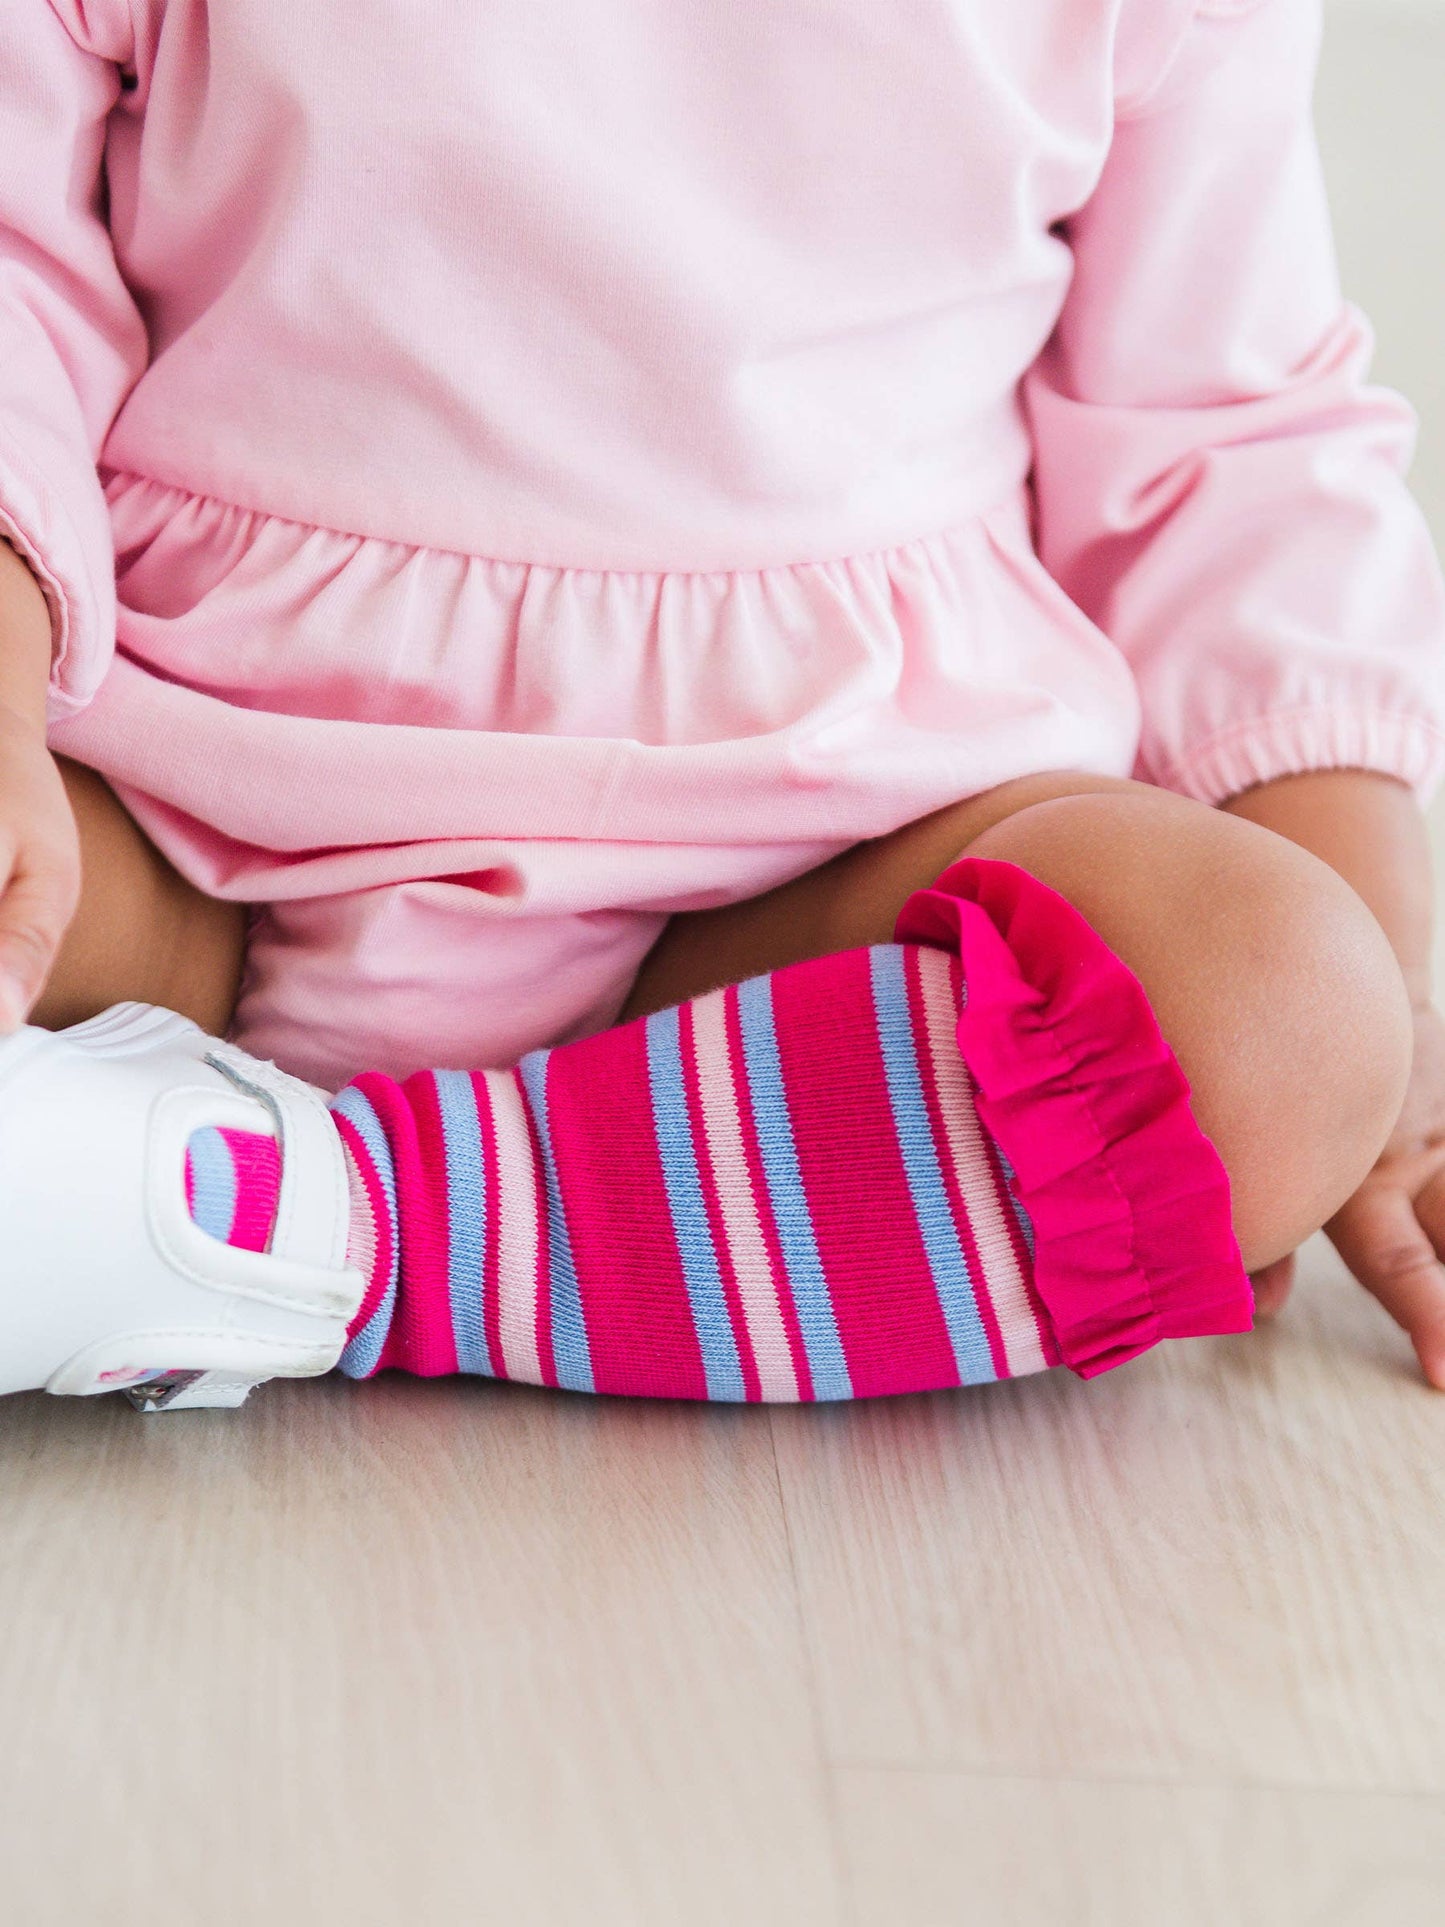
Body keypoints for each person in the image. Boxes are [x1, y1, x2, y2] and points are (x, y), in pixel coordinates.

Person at [0, 0, 1441, 1413]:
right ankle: (300, 1215)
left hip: (801, 902)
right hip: (173, 807)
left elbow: (1219, 442)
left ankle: (313, 1225)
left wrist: (1388, 1020)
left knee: (1285, 1021)